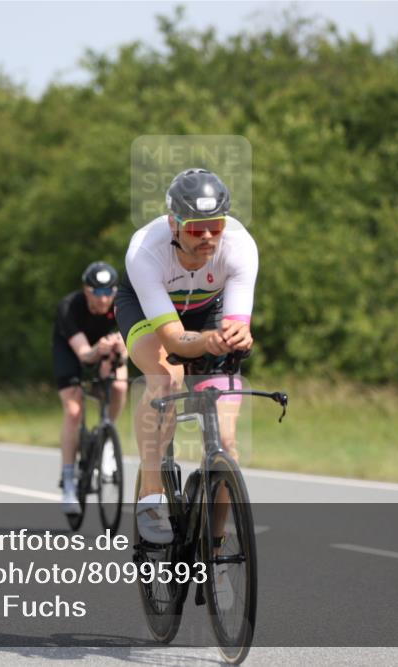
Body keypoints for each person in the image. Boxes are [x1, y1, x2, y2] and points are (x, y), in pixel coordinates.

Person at [115, 168, 258, 544]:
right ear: (173, 224)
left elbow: (236, 322)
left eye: (216, 226)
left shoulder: (241, 247)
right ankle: (151, 493)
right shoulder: (145, 250)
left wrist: (238, 334)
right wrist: (209, 341)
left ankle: (216, 547)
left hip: (207, 309)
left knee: (227, 442)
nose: (208, 236)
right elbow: (175, 341)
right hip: (148, 312)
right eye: (196, 228)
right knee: (166, 378)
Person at [53, 261, 128, 514]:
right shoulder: (70, 307)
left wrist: (121, 351)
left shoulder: (122, 305)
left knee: (119, 386)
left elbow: (130, 349)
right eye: (98, 292)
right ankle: (68, 482)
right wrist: (98, 349)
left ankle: (106, 437)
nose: (104, 298)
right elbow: (85, 355)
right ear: (86, 290)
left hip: (104, 351)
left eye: (109, 292)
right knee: (74, 411)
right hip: (73, 352)